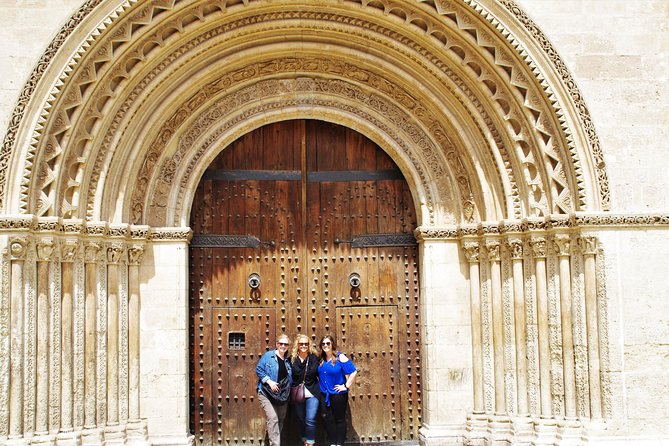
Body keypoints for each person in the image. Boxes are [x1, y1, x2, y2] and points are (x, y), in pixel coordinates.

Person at [317, 334, 357, 446]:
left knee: (339, 419)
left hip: (338, 394)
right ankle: (333, 443)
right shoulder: (320, 359)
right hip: (324, 394)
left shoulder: (340, 357)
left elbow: (353, 371)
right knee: (327, 419)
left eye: (328, 343)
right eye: (323, 343)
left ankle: (339, 443)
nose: (325, 345)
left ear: (332, 344)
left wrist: (346, 386)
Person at [256, 334, 292, 446]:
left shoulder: (287, 361)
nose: (283, 346)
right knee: (273, 418)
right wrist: (269, 381)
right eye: (281, 343)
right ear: (277, 344)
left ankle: (275, 441)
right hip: (266, 393)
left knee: (280, 420)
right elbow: (259, 369)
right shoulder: (268, 356)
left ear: (288, 346)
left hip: (281, 395)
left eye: (285, 344)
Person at [290, 334, 321, 446]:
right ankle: (304, 440)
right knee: (301, 419)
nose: (303, 346)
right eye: (301, 344)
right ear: (297, 345)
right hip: (298, 394)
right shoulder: (292, 359)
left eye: (306, 344)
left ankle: (310, 442)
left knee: (310, 419)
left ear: (309, 345)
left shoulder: (314, 358)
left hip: (313, 392)